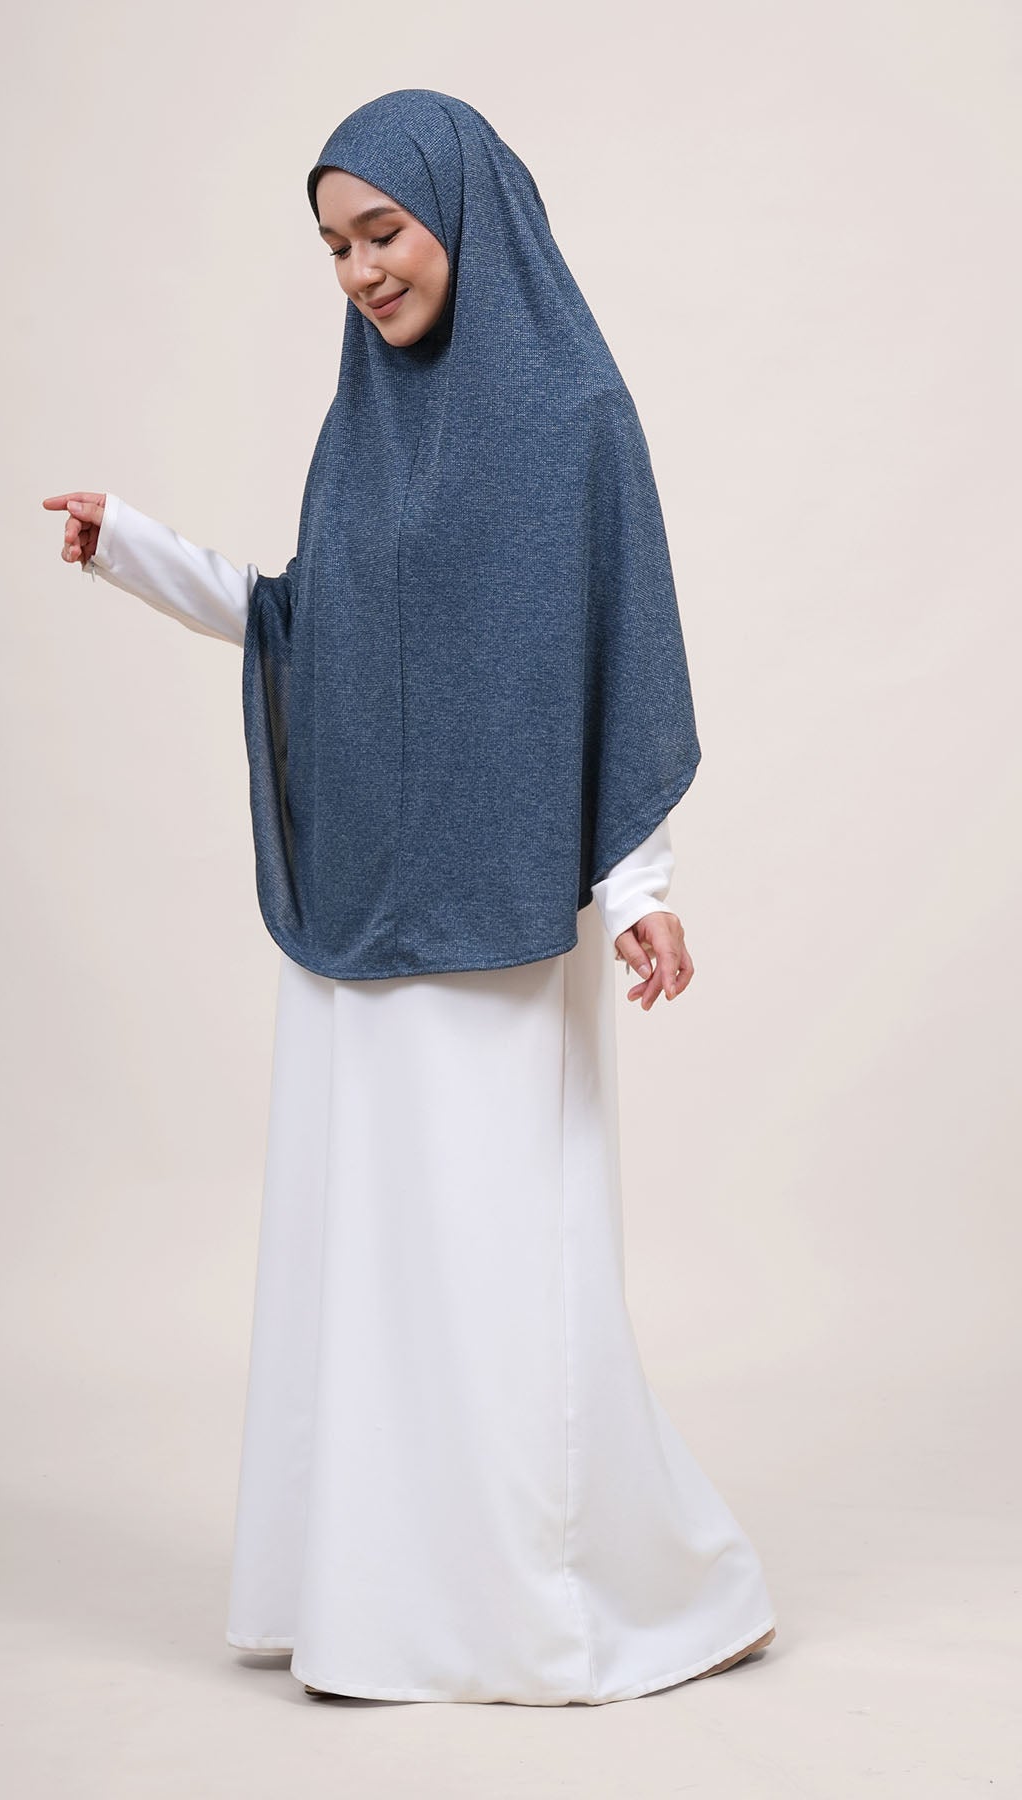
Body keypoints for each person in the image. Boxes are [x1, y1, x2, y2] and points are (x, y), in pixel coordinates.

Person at [41, 88, 777, 1706]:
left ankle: (561, 1605)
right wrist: (133, 550)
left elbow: (617, 652)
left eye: (383, 231)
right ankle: (377, 1604)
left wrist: (642, 887)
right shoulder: (360, 427)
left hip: (502, 910)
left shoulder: (577, 413)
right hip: (361, 913)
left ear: (464, 211)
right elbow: (311, 628)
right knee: (368, 1259)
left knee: (504, 1265)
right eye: (333, 247)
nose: (361, 271)